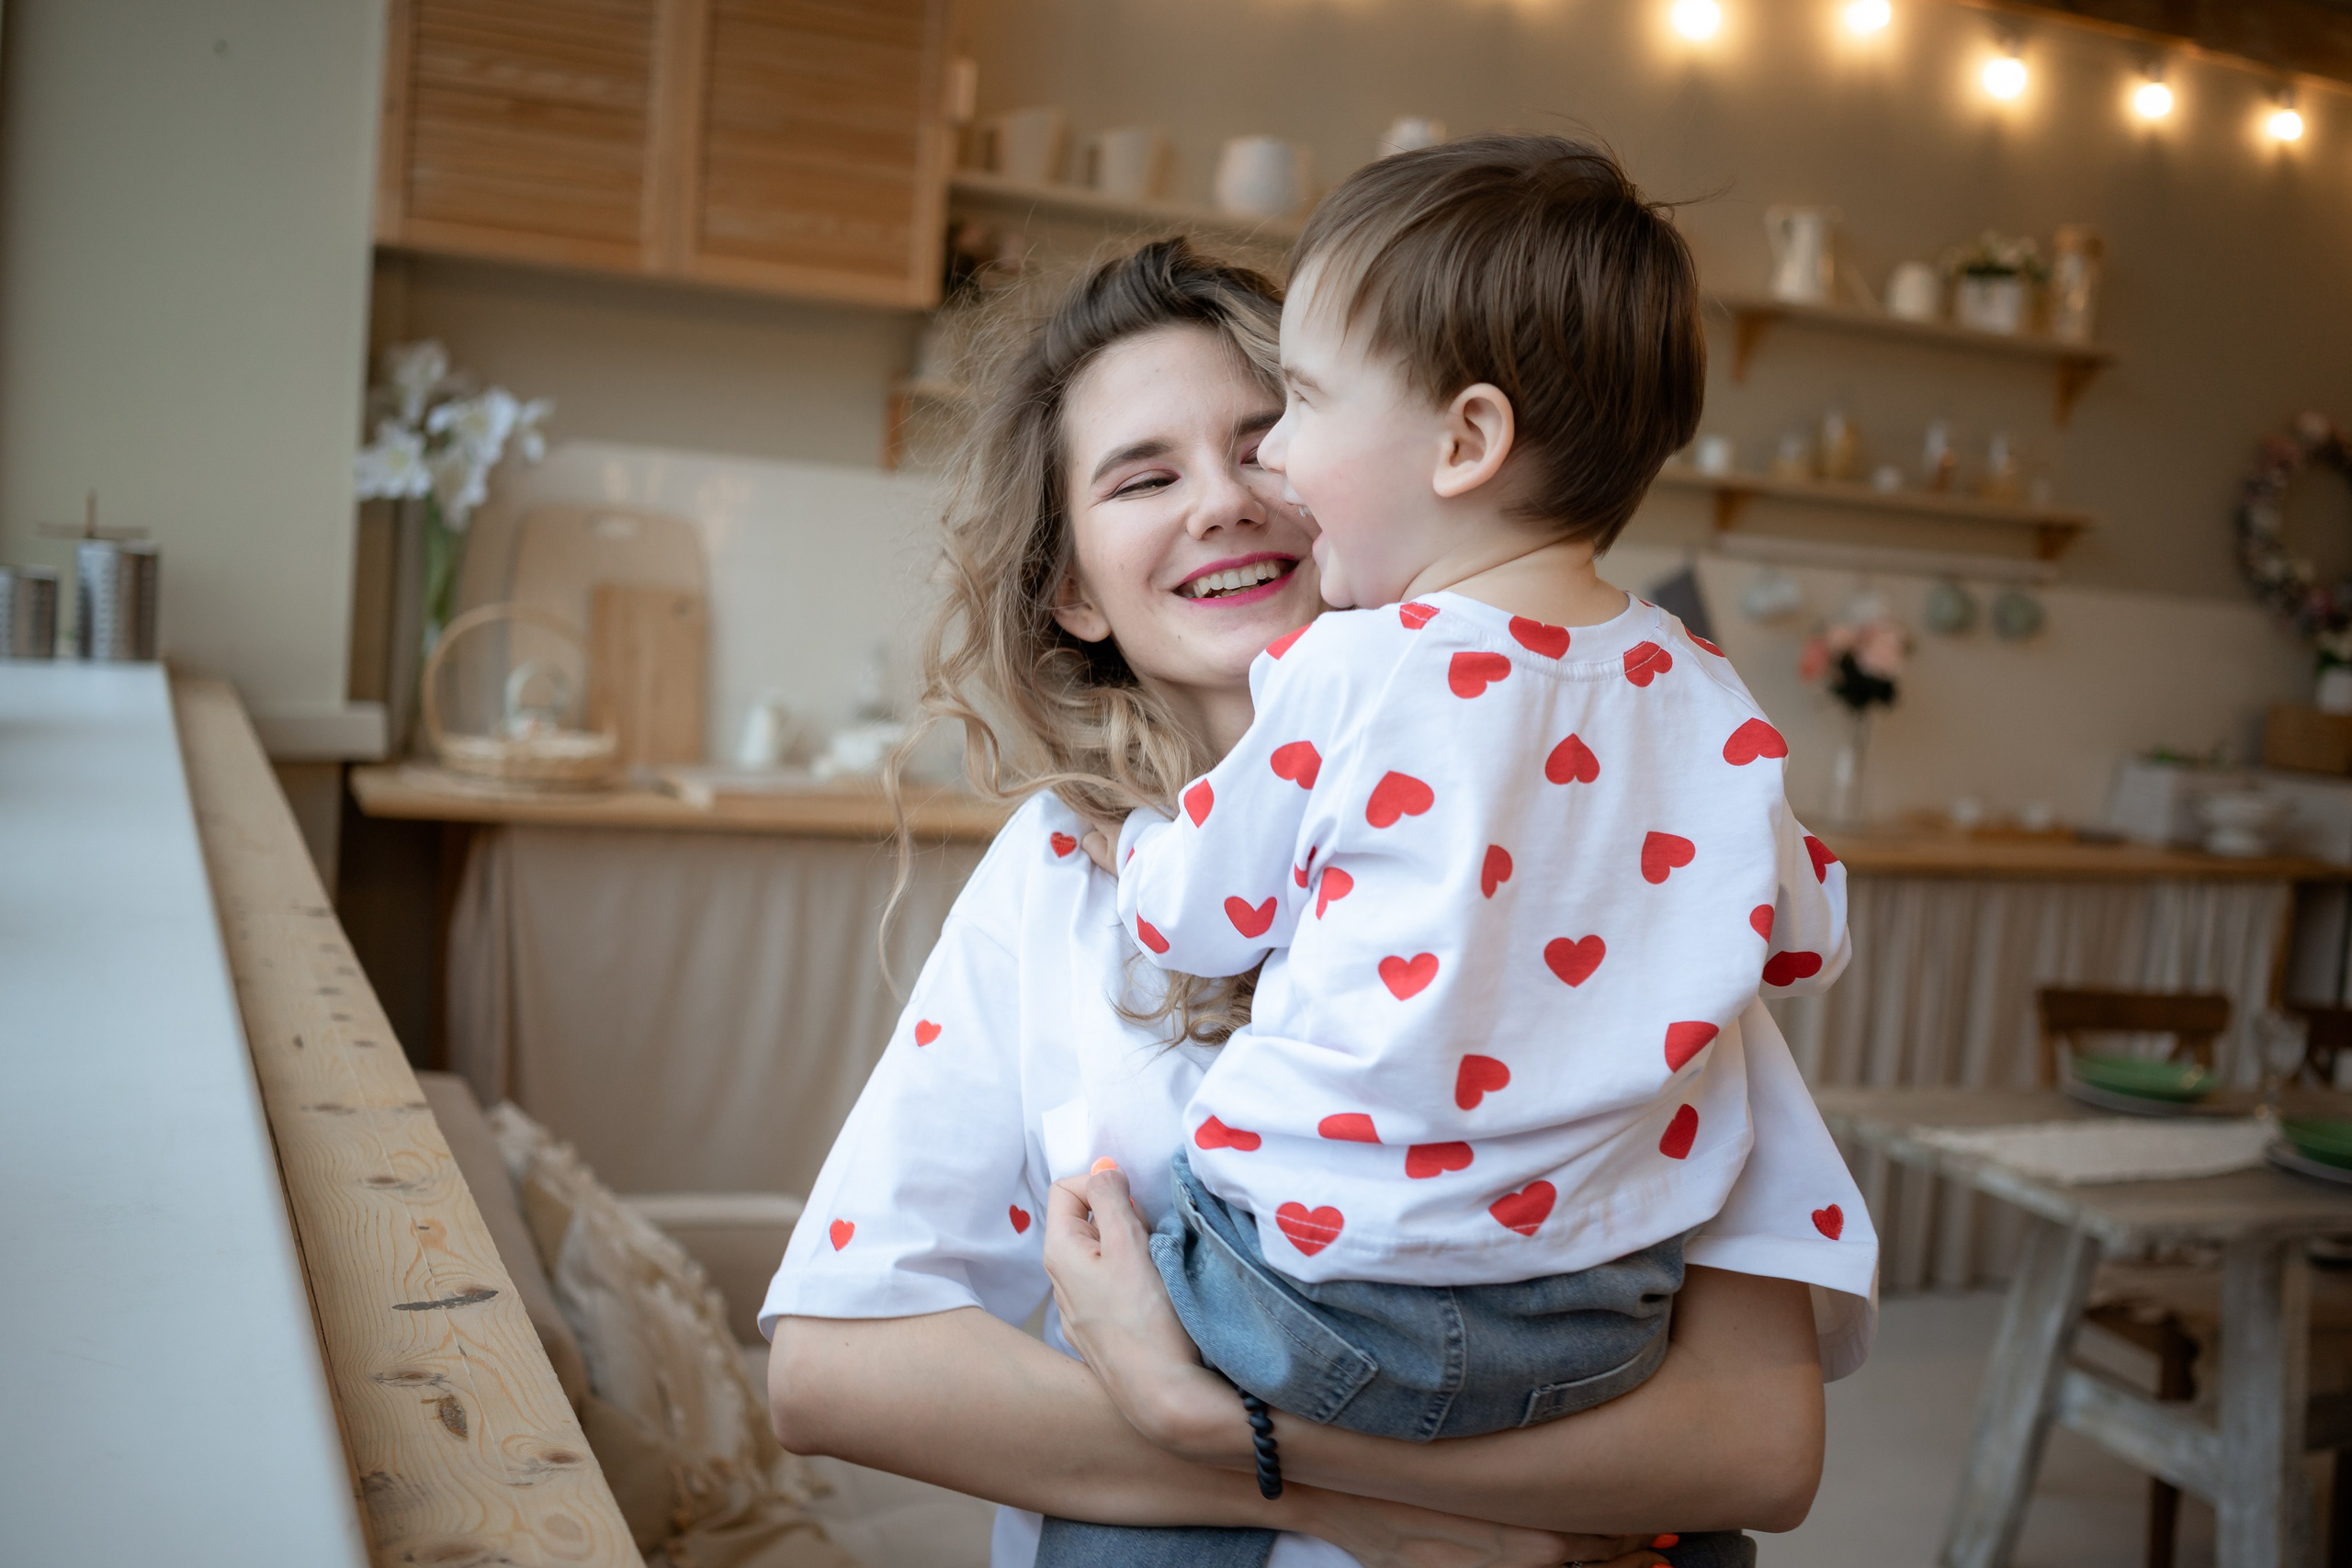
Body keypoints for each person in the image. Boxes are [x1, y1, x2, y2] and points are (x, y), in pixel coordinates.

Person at [763, 235, 1844, 1568]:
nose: (1227, 498)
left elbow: (1758, 1441)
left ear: (1409, 460)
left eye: (1274, 436)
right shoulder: (1062, 873)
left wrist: (1190, 1408)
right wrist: (1354, 1505)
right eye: (1144, 476)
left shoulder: (1602, 837)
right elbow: (830, 1369)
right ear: (1071, 589)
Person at [1047, 132, 1875, 1568]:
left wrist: (1152, 844)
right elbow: (1803, 941)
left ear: (1466, 442)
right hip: (1594, 1335)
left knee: (1101, 1251)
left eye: (1298, 406)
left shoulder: (1350, 673)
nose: (1281, 460)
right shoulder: (1712, 703)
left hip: (1298, 1312)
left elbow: (1190, 920)